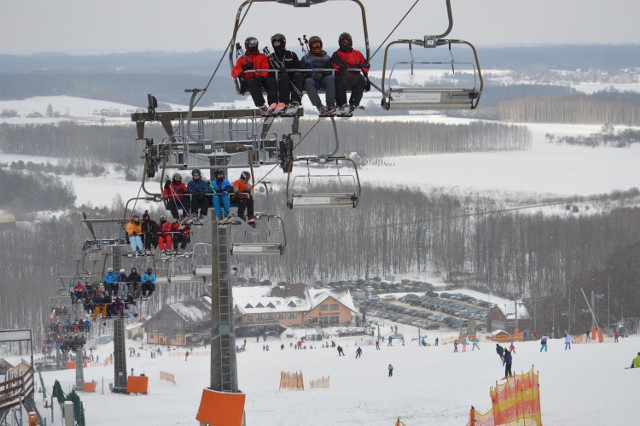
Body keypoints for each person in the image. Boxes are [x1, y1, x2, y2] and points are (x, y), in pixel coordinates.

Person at [231, 36, 277, 114]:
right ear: (247, 46)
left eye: (254, 44)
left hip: (261, 79)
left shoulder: (262, 57)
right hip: (250, 82)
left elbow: (265, 68)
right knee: (252, 81)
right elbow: (234, 73)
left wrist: (262, 76)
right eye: (250, 45)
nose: (253, 46)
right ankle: (261, 105)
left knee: (271, 80)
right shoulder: (242, 60)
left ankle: (273, 104)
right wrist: (243, 68)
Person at [331, 32, 369, 112]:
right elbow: (334, 64)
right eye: (343, 42)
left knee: (360, 79)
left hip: (353, 77)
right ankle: (342, 104)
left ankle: (354, 103)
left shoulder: (357, 54)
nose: (345, 44)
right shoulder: (337, 54)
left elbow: (365, 65)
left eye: (347, 42)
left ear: (350, 42)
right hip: (342, 77)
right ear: (339, 43)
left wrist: (362, 71)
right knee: (339, 79)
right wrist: (344, 68)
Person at [301, 35, 337, 114]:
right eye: (314, 45)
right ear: (310, 46)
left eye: (318, 45)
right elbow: (302, 72)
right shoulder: (306, 58)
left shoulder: (327, 57)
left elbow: (331, 70)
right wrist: (310, 75)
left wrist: (323, 74)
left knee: (331, 78)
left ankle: (330, 104)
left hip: (323, 79)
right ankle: (319, 106)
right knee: (308, 81)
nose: (317, 47)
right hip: (312, 80)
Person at [268, 33, 304, 107]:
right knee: (283, 76)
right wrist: (277, 71)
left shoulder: (291, 54)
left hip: (291, 78)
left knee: (298, 76)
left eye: (278, 43)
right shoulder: (271, 57)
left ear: (283, 43)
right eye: (275, 43)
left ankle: (295, 100)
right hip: (279, 79)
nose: (277, 45)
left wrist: (288, 70)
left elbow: (299, 67)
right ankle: (284, 102)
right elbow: (269, 71)